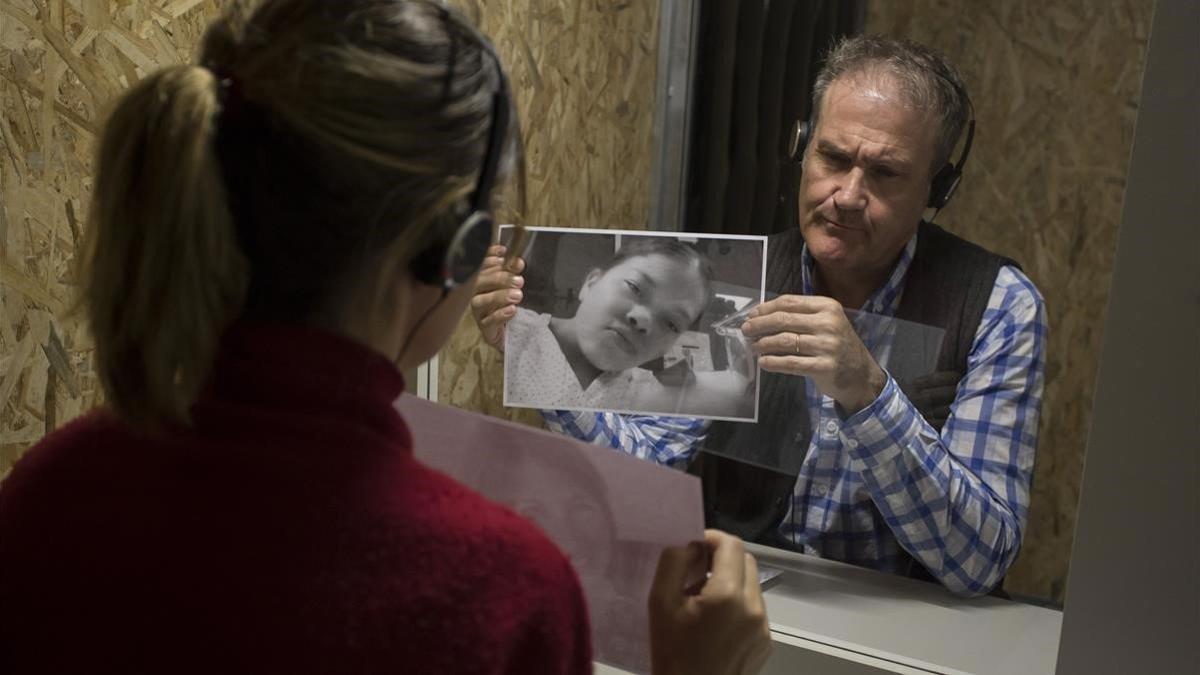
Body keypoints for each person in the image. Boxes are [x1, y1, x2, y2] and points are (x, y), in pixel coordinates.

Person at [0, 2, 771, 674]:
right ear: (458, 249)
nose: (645, 323)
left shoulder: (45, 494)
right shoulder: (497, 593)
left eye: (670, 321)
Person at [473, 34, 1047, 598]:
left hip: (906, 631)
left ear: (937, 188)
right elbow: (645, 461)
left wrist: (868, 393)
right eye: (834, 157)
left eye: (885, 174)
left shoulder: (998, 304)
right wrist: (535, 354)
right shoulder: (741, 282)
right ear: (802, 147)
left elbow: (980, 559)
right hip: (751, 603)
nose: (847, 194)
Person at [505, 236, 752, 417]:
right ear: (591, 283)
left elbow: (739, 390)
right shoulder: (509, 325)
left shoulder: (638, 393)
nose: (643, 320)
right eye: (635, 288)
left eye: (671, 323)